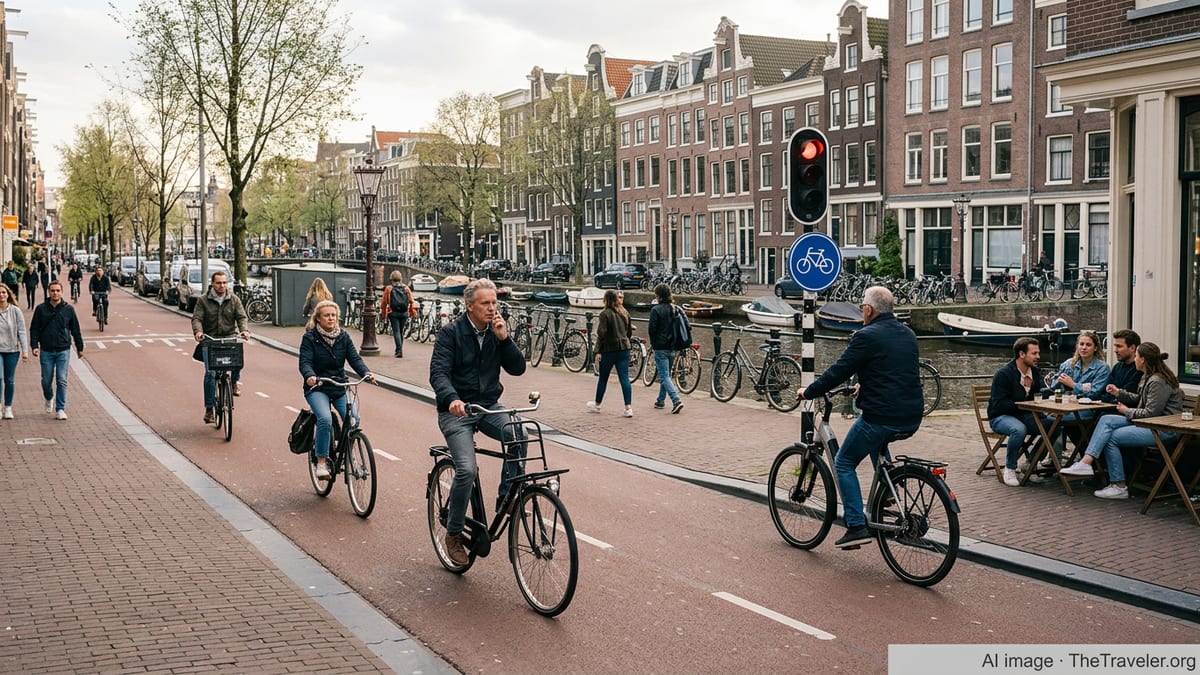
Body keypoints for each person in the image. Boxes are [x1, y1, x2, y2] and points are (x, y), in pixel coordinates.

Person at [799, 286, 923, 547]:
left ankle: (856, 526)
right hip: (911, 416)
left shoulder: (866, 335)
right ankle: (888, 491)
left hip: (881, 416)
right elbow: (895, 370)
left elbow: (838, 371)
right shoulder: (908, 334)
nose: (861, 311)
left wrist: (809, 391)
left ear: (869, 309)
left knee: (844, 462)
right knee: (876, 441)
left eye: (862, 307)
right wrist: (864, 384)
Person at [429, 278, 527, 566]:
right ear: (469, 306)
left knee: (518, 433)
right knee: (467, 470)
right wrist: (451, 399)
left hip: (486, 406)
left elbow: (518, 369)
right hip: (456, 410)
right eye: (485, 303)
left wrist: (504, 339)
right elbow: (438, 374)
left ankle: (506, 494)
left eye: (494, 302)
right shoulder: (451, 334)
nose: (492, 308)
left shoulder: (497, 331)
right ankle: (454, 534)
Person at [1061, 342, 1183, 499]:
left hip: (1163, 429)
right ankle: (1085, 463)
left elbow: (1151, 413)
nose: (1135, 359)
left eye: (1137, 356)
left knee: (1111, 438)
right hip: (1148, 424)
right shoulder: (1149, 377)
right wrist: (1120, 393)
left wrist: (1127, 411)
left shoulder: (1158, 381)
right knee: (1106, 419)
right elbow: (1141, 399)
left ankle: (1119, 486)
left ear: (1143, 359)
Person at [299, 300, 374, 479]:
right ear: (318, 318)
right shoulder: (310, 338)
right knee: (324, 419)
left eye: (333, 315)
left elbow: (354, 359)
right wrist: (309, 376)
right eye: (327, 315)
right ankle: (322, 462)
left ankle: (345, 449)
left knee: (354, 419)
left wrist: (366, 372)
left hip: (339, 386)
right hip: (318, 387)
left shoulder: (344, 337)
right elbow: (305, 362)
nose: (331, 318)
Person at [987, 337, 1050, 487]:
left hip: (1024, 415)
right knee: (1019, 430)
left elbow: (1037, 396)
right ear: (1022, 354)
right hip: (1000, 416)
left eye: (1038, 353)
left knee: (1055, 425)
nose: (1038, 357)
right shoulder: (1003, 374)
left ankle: (1031, 462)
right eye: (1034, 353)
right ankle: (1010, 468)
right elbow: (999, 404)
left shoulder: (1034, 372)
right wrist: (1024, 404)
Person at [191, 270, 249, 423]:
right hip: (209, 340)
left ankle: (235, 382)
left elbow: (241, 317)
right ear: (212, 284)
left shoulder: (234, 299)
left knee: (237, 360)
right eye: (218, 283)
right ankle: (209, 409)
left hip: (229, 337)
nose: (222, 285)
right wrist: (198, 332)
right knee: (210, 373)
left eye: (224, 282)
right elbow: (197, 318)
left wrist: (244, 330)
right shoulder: (203, 300)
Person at [29, 280, 84, 420]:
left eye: (58, 290)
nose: (55, 293)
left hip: (63, 349)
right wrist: (34, 346)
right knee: (46, 380)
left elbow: (75, 329)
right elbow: (34, 328)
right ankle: (49, 397)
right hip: (46, 350)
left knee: (62, 380)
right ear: (49, 292)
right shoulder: (41, 309)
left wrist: (79, 347)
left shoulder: (68, 309)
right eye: (53, 290)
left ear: (62, 292)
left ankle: (60, 409)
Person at [587, 289, 634, 418]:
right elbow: (629, 331)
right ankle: (628, 407)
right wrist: (626, 341)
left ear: (606, 299)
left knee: (603, 379)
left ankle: (597, 405)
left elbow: (601, 334)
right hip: (624, 349)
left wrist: (598, 351)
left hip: (609, 350)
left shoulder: (605, 314)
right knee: (624, 379)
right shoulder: (625, 312)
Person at [647, 283, 684, 414]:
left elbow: (652, 329)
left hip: (661, 347)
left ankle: (676, 400)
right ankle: (660, 401)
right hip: (673, 346)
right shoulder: (674, 308)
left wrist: (653, 343)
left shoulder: (655, 310)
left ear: (658, 296)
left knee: (664, 376)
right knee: (666, 375)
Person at [0, 284, 30, 419]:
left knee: (9, 379)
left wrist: (25, 350)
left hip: (12, 350)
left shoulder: (15, 311)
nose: (1, 295)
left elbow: (22, 331)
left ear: (8, 294)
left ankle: (8, 407)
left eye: (3, 292)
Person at [379, 270, 416, 358]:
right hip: (404, 313)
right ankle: (399, 350)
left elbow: (384, 303)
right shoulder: (406, 288)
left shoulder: (389, 288)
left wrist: (384, 315)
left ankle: (399, 350)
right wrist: (412, 312)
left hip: (393, 312)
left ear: (391, 278)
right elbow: (411, 301)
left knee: (396, 332)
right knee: (401, 331)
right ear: (400, 278)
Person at [1102, 329, 1142, 403]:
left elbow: (1128, 394)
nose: (1116, 350)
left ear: (1132, 348)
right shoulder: (1117, 367)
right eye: (1115, 346)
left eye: (1119, 346)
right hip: (1109, 408)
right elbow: (1105, 392)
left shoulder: (1139, 369)